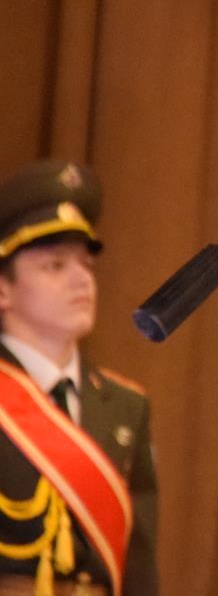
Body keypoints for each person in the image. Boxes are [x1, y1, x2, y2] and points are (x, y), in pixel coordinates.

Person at [0, 159, 157, 596]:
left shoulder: (126, 406)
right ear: (3, 289)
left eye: (86, 265)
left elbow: (139, 563)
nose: (81, 280)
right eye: (55, 266)